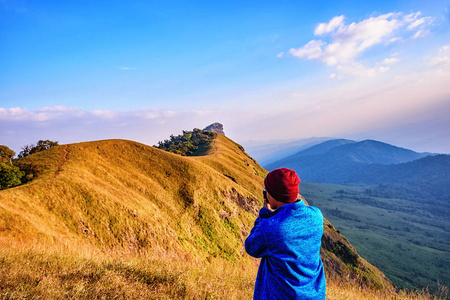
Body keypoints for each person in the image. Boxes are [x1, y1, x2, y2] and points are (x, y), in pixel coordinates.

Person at [245, 168, 326, 300]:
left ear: (271, 195)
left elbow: (251, 247)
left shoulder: (271, 227)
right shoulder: (316, 215)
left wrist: (265, 215)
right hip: (314, 295)